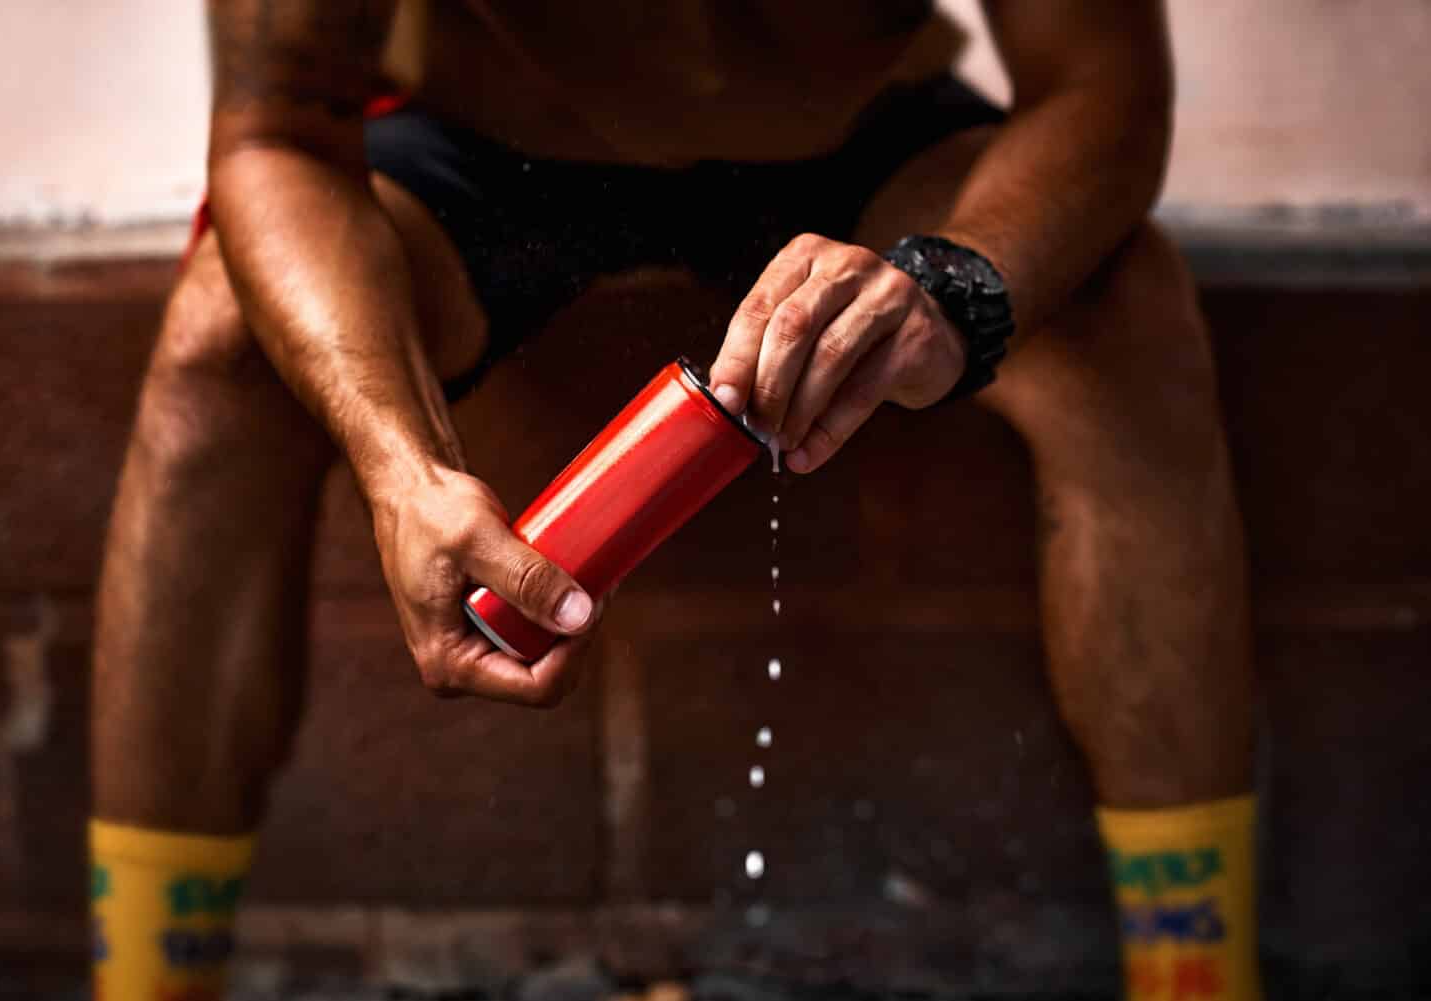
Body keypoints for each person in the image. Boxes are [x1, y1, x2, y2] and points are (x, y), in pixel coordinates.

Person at [88, 2, 1260, 998]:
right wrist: (400, 465)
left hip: (854, 127)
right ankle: (143, 977)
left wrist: (953, 284)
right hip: (491, 141)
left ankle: (1199, 973)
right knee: (222, 344)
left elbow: (1103, 86)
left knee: (1124, 317)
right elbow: (277, 127)